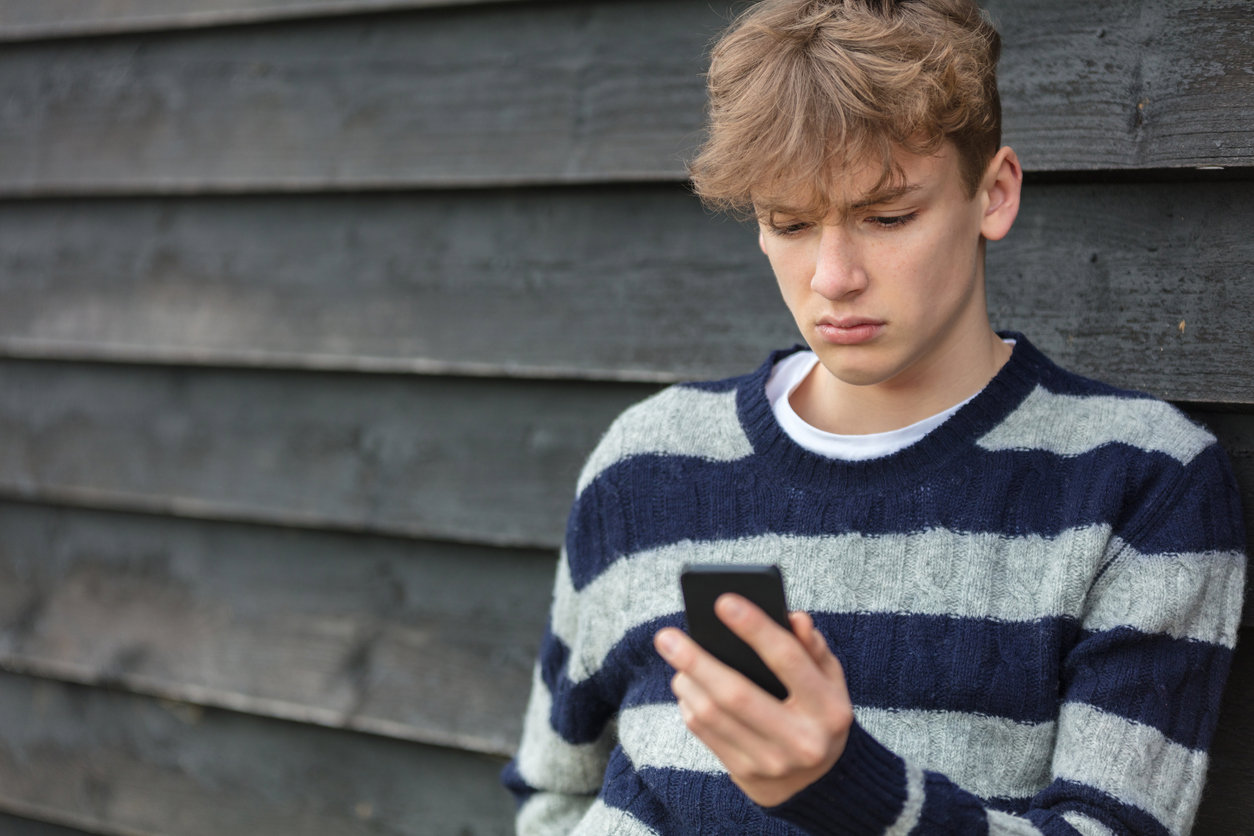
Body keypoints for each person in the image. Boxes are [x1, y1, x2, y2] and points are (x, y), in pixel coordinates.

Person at [501, 0, 1247, 832]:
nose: (833, 276)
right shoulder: (647, 462)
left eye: (886, 216)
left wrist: (846, 786)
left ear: (993, 194)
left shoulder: (1140, 483)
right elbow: (555, 794)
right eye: (788, 222)